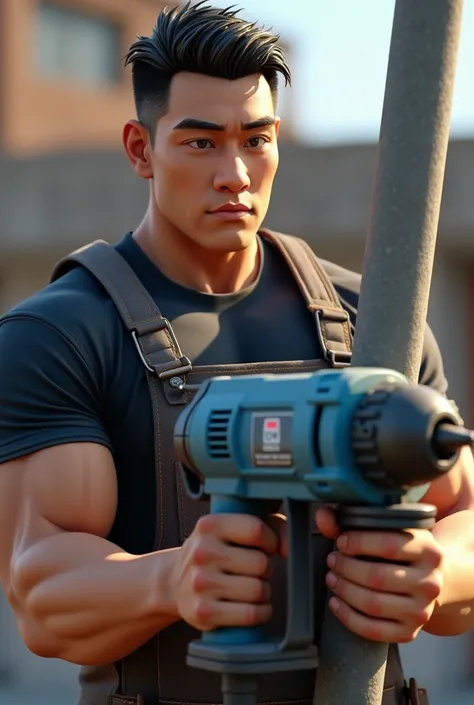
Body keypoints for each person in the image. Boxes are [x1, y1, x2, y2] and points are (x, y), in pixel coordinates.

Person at [0, 3, 473, 705]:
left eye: (256, 139)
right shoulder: (64, 334)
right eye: (201, 143)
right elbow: (41, 590)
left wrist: (437, 571)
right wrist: (169, 579)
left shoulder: (372, 322)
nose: (235, 173)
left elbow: (461, 514)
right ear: (139, 149)